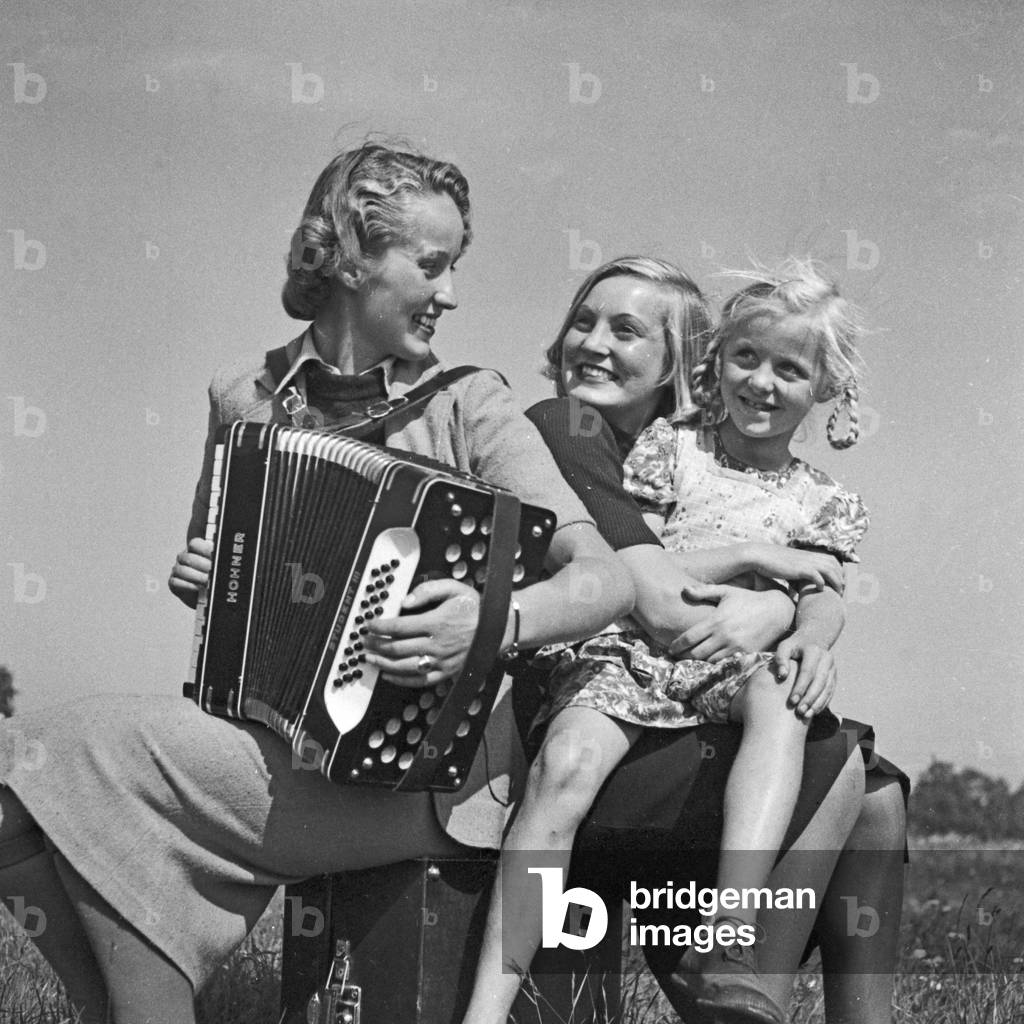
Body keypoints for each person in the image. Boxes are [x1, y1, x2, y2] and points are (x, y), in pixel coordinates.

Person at [0, 143, 635, 1024]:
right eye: (430, 265)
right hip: (272, 738)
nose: (449, 294)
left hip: (426, 777)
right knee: (12, 796)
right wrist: (201, 574)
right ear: (347, 257)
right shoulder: (245, 398)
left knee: (53, 751)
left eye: (454, 267)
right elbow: (221, 575)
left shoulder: (469, 403)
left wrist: (493, 622)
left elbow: (606, 581)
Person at [462, 257, 907, 1024]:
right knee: (847, 767)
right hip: (630, 663)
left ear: (825, 389)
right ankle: (504, 1004)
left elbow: (825, 594)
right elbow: (652, 581)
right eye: (747, 358)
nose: (763, 382)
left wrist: (809, 634)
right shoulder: (646, 444)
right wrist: (759, 569)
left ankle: (733, 930)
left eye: (790, 370)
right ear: (713, 363)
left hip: (725, 677)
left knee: (850, 759)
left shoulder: (823, 498)